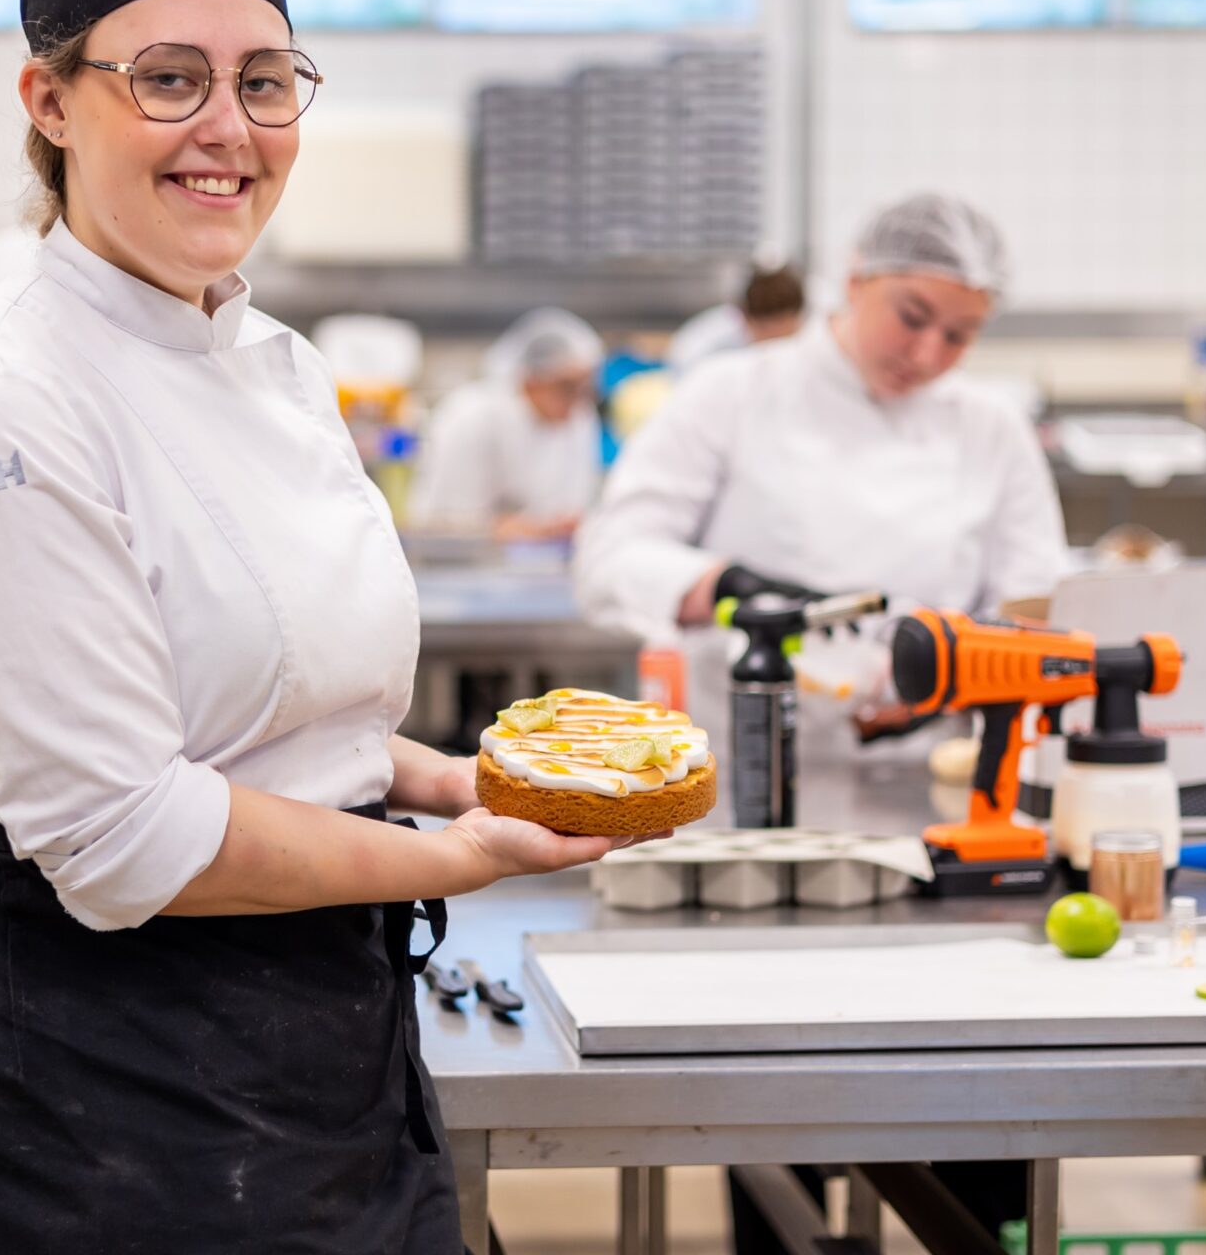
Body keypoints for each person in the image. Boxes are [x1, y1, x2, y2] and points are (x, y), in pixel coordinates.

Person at [0, 0, 643, 1255]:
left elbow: (282, 706)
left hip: (314, 1039)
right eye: (168, 79)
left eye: (263, 82)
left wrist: (448, 778)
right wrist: (448, 856)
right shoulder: (5, 402)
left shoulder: (281, 367)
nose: (228, 128)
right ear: (51, 101)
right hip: (72, 1086)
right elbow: (121, 837)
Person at [574, 192, 1066, 1255]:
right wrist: (724, 586)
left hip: (937, 811)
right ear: (855, 279)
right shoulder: (734, 395)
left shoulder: (988, 429)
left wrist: (951, 678)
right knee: (773, 1092)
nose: (929, 352)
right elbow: (610, 556)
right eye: (912, 316)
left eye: (960, 334)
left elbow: (1034, 610)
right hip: (751, 812)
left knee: (972, 1089)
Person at [410, 307, 606, 541]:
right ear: (532, 380)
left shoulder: (580, 421)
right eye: (567, 387)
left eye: (585, 387)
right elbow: (443, 521)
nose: (578, 400)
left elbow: (574, 507)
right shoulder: (472, 417)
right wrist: (501, 529)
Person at [669, 261, 807, 371]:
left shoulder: (806, 337)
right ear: (745, 319)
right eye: (769, 334)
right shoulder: (704, 350)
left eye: (785, 336)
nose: (776, 346)